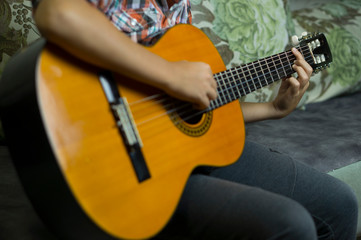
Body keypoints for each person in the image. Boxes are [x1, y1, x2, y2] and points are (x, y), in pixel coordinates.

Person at [31, 0, 358, 239]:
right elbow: (56, 13)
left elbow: (187, 112)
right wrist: (170, 74)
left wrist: (274, 109)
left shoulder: (179, 11)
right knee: (290, 225)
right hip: (116, 169)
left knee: (340, 204)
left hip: (177, 157)